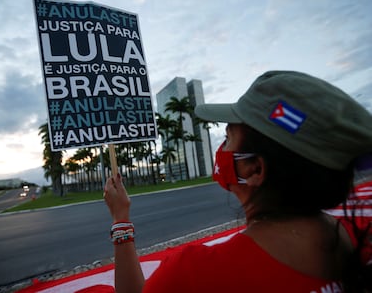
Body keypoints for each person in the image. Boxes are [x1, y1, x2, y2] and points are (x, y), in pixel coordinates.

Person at [103, 71, 372, 293]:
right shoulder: (355, 239)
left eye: (229, 138)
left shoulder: (198, 274)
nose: (222, 148)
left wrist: (120, 219)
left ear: (255, 169)